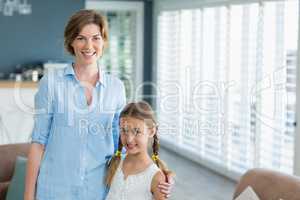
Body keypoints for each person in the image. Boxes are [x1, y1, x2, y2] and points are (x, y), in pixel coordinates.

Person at [24, 9, 173, 200]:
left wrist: (159, 174)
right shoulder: (51, 83)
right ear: (71, 41)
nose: (88, 45)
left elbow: (124, 145)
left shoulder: (116, 87)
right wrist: (28, 196)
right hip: (55, 189)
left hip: (99, 191)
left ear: (104, 41)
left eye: (95, 38)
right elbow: (38, 143)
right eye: (80, 38)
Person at [105, 101, 174, 200]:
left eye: (136, 131)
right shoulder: (114, 163)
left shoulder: (156, 177)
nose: (129, 139)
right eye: (124, 130)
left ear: (151, 131)